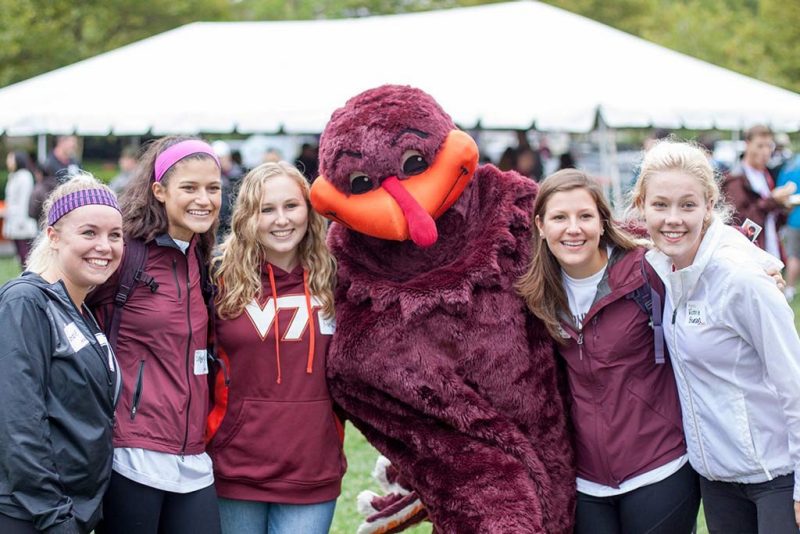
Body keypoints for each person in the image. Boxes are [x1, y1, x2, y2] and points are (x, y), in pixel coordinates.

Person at [516, 169, 699, 534]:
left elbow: (708, 249)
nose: (573, 229)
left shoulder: (647, 270)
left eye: (584, 216)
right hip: (586, 480)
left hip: (658, 465)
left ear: (602, 222)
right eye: (559, 218)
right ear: (540, 226)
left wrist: (760, 265)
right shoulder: (535, 293)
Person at [631, 139, 800, 533]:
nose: (673, 218)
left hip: (775, 477)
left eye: (687, 205)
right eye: (660, 205)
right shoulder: (663, 270)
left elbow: (795, 382)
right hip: (717, 480)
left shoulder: (742, 280)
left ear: (709, 205)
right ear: (641, 206)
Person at [88, 137, 222, 534]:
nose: (204, 199)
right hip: (131, 450)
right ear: (159, 191)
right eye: (189, 188)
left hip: (192, 454)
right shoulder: (123, 251)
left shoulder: (200, 253)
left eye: (213, 188)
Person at [206, 162, 344, 534]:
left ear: (309, 210)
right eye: (267, 209)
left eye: (291, 206)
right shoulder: (217, 280)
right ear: (249, 217)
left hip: (312, 468)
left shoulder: (338, 278)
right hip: (236, 466)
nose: (281, 220)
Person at [0, 173, 122, 533]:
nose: (105, 246)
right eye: (89, 233)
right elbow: (19, 421)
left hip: (75, 510)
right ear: (53, 235)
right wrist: (55, 516)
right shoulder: (25, 302)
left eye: (115, 236)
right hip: (32, 515)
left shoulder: (80, 308)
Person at [721, 125, 794, 260]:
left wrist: (783, 207)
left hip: (769, 250)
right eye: (760, 146)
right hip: (749, 256)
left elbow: (770, 220)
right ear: (747, 144)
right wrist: (772, 201)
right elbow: (741, 226)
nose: (765, 151)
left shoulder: (765, 175)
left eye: (769, 146)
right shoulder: (735, 179)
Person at [29, 135, 81, 224]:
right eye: (71, 144)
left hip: (72, 208)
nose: (74, 147)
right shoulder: (48, 162)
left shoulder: (75, 162)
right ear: (61, 143)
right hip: (52, 210)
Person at [3, 151, 39, 265]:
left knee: (26, 255)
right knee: (20, 253)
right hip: (14, 220)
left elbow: (24, 200)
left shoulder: (24, 176)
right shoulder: (14, 176)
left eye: (11, 159)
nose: (8, 161)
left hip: (22, 222)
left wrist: (21, 221)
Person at [777, 154, 800, 301]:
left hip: (793, 220)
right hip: (793, 219)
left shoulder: (789, 166)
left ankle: (790, 288)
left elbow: (779, 192)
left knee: (793, 256)